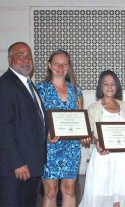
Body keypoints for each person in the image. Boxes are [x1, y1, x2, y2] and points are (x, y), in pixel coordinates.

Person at [0, 42, 48, 206]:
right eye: (20, 55)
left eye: (29, 55)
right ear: (9, 60)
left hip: (31, 165)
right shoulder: (4, 85)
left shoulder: (28, 84)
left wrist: (47, 133)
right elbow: (3, 129)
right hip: (14, 168)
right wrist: (18, 163)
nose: (26, 59)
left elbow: (35, 119)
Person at [37, 49, 89, 206]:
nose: (60, 67)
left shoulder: (76, 90)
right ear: (49, 65)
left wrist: (84, 133)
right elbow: (35, 119)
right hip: (49, 146)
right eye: (56, 64)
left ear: (69, 66)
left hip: (71, 147)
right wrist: (46, 134)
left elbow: (80, 117)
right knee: (50, 191)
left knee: (69, 190)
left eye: (64, 64)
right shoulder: (40, 89)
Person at [79, 70, 125, 207]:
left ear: (117, 86)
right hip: (103, 156)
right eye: (106, 84)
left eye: (113, 84)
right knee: (101, 193)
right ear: (100, 87)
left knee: (119, 194)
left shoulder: (124, 106)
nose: (109, 87)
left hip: (122, 158)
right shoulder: (93, 108)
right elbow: (88, 133)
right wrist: (97, 142)